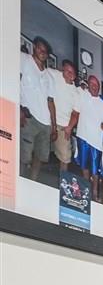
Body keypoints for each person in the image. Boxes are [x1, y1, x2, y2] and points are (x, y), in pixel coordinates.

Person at [19, 37, 57, 182]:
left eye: (45, 51)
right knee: (24, 156)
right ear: (34, 47)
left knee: (40, 157)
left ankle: (32, 182)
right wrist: (19, 109)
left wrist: (54, 126)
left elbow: (51, 102)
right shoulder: (24, 60)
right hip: (29, 118)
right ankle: (19, 182)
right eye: (40, 48)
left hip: (45, 123)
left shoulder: (49, 77)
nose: (43, 52)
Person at [76, 74, 103, 202]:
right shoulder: (82, 94)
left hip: (96, 143)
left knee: (95, 171)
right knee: (84, 167)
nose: (94, 87)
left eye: (96, 85)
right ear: (88, 85)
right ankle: (85, 190)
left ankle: (94, 194)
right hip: (83, 137)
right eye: (92, 84)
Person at [49, 60, 81, 172]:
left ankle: (63, 180)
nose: (69, 73)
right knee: (39, 152)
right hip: (47, 121)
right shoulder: (56, 75)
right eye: (66, 70)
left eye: (72, 72)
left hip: (63, 127)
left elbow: (75, 113)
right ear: (62, 70)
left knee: (65, 158)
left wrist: (69, 127)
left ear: (75, 76)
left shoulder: (76, 93)